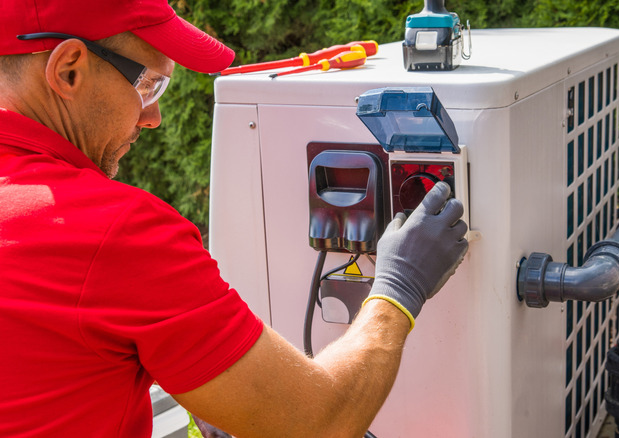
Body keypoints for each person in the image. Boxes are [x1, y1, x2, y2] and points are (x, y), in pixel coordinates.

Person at [0, 1, 469, 437]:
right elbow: (321, 422)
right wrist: (398, 288)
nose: (154, 118)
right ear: (69, 70)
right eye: (147, 85)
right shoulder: (113, 232)